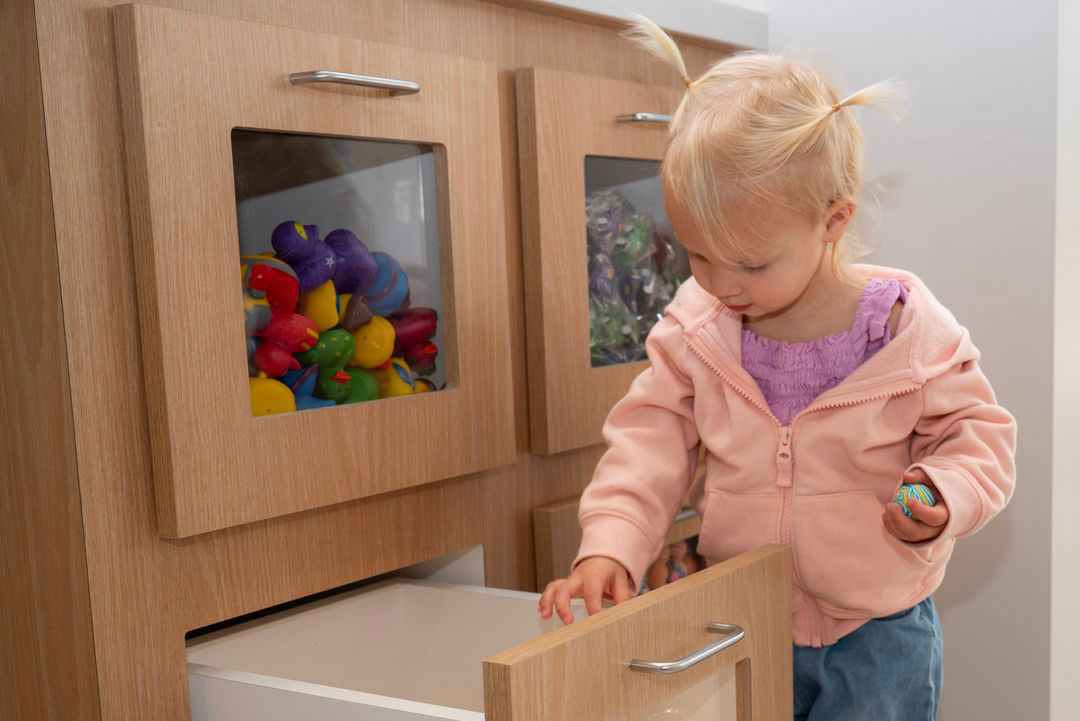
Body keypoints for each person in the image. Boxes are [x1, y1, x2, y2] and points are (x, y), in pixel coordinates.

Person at [538, 14, 1017, 721]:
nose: (721, 283)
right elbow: (649, 442)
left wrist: (944, 493)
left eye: (751, 263)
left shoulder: (907, 332)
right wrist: (609, 545)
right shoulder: (699, 328)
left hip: (878, 636)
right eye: (697, 255)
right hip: (740, 617)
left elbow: (980, 434)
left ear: (832, 219)